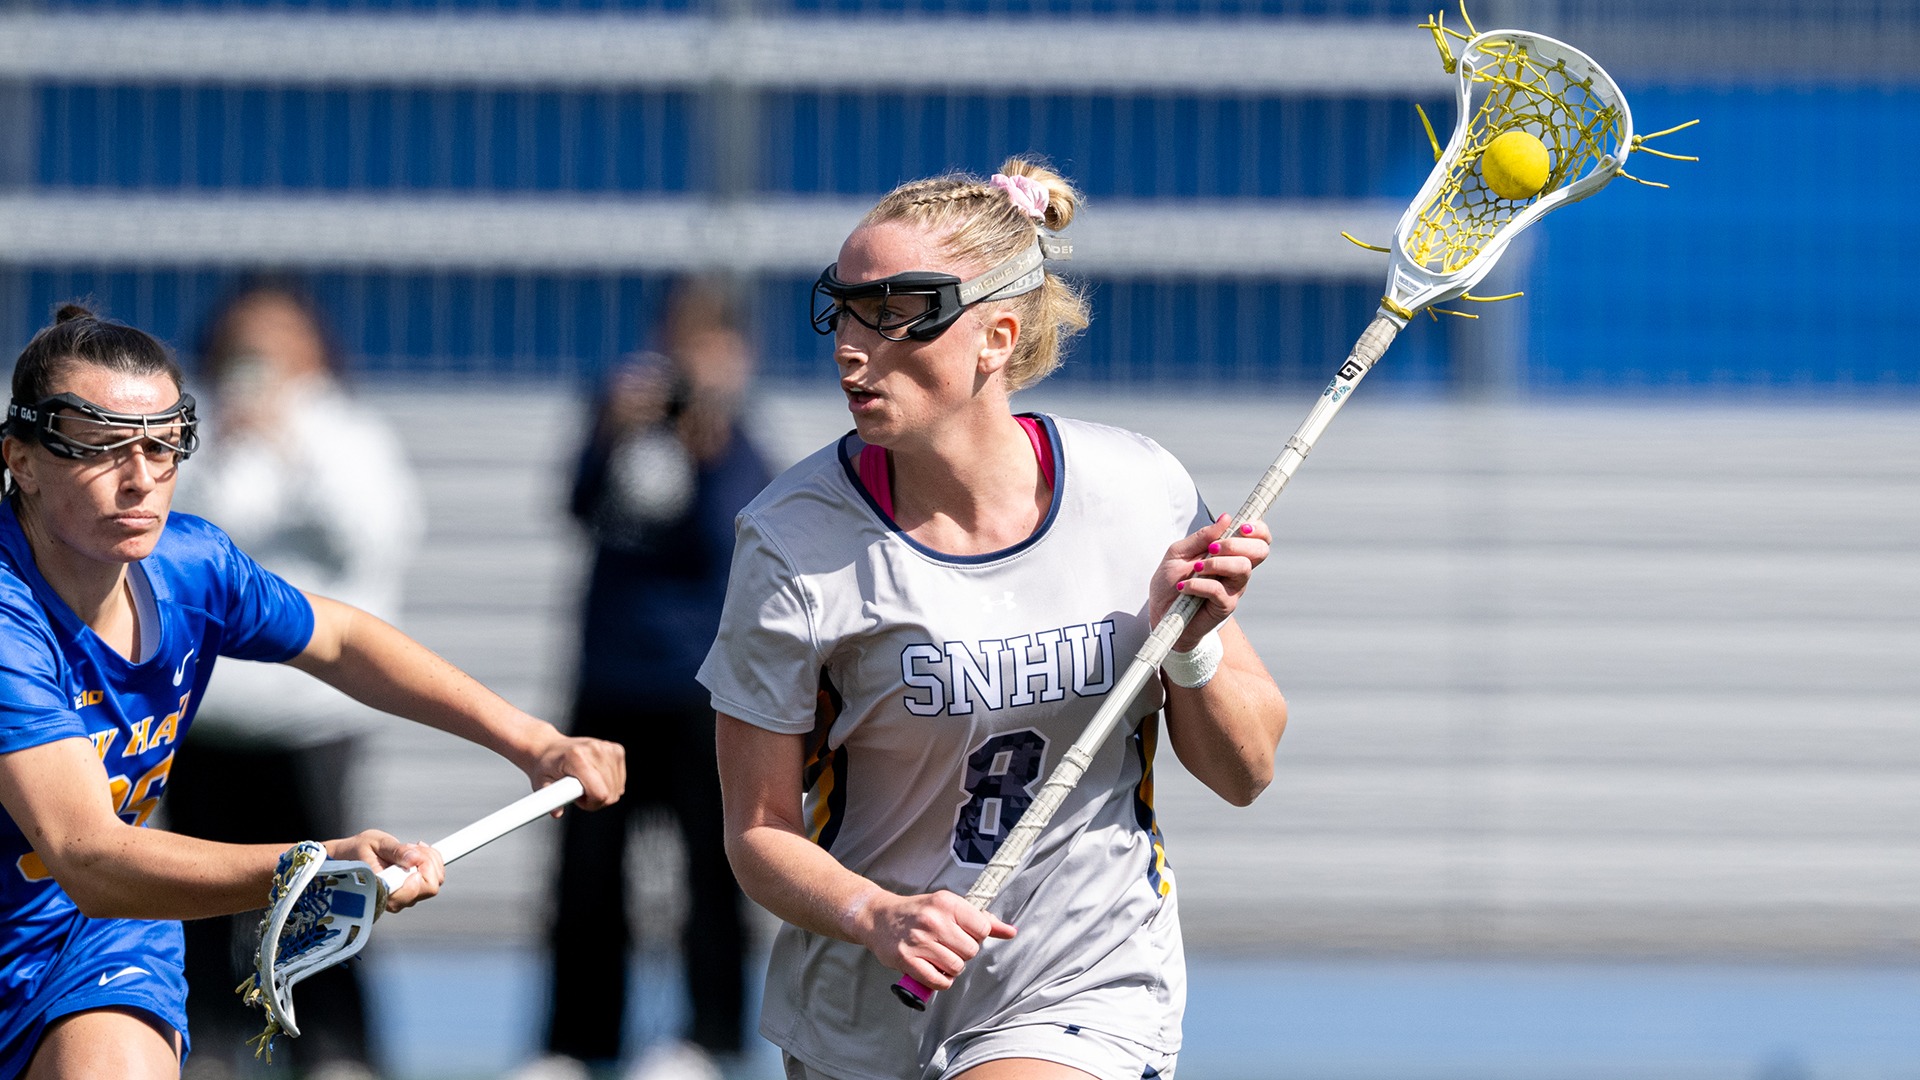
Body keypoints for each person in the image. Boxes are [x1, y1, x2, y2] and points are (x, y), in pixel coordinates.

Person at [701, 157, 1288, 1080]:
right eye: (845, 307)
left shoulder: (1136, 489)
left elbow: (1245, 771)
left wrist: (1189, 648)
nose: (855, 346)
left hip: (1083, 984)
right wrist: (877, 914)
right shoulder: (791, 541)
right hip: (863, 1009)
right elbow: (759, 831)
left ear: (997, 336)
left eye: (898, 312)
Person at [0, 304, 626, 1080]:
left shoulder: (192, 567)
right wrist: (310, 865)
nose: (140, 481)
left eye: (164, 446)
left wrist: (533, 741)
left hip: (88, 942)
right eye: (102, 447)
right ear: (21, 459)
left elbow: (342, 640)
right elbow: (87, 854)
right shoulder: (8, 626)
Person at [165, 278, 425, 1080]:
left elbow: (373, 537)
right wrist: (229, 445)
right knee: (198, 894)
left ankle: (333, 1050)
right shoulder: (189, 426)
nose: (260, 353)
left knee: (322, 892)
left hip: (311, 720)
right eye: (246, 335)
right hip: (207, 720)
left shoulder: (347, 435)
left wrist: (289, 446)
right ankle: (205, 1038)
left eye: (280, 334)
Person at [529, 280, 773, 1080]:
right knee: (589, 876)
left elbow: (729, 538)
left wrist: (709, 441)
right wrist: (611, 433)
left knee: (713, 868)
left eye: (705, 345)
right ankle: (579, 1040)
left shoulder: (740, 446)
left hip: (702, 690)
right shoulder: (625, 429)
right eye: (677, 342)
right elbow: (574, 506)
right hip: (609, 682)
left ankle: (713, 1035)